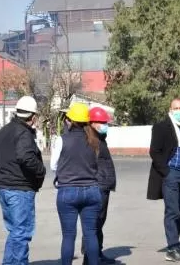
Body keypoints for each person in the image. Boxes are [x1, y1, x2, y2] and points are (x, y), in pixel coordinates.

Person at [0, 95, 46, 264]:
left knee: (15, 232)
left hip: (3, 187)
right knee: (22, 232)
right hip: (19, 189)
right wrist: (41, 171)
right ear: (33, 117)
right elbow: (25, 157)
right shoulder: (23, 132)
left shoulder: (2, 132)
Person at [147, 98, 180, 263]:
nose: (179, 111)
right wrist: (166, 172)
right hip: (172, 174)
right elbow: (154, 151)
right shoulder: (162, 127)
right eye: (176, 108)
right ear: (170, 109)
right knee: (172, 211)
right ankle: (172, 247)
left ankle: (176, 245)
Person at [54, 102, 102, 265]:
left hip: (68, 190)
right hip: (92, 190)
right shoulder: (94, 140)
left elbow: (54, 165)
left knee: (68, 235)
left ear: (70, 120)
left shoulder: (61, 140)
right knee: (91, 234)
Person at [80, 106, 117, 264]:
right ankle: (89, 256)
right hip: (97, 186)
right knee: (93, 223)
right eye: (101, 122)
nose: (104, 125)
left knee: (100, 222)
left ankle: (97, 253)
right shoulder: (89, 140)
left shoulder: (100, 138)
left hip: (104, 185)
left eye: (105, 122)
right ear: (92, 123)